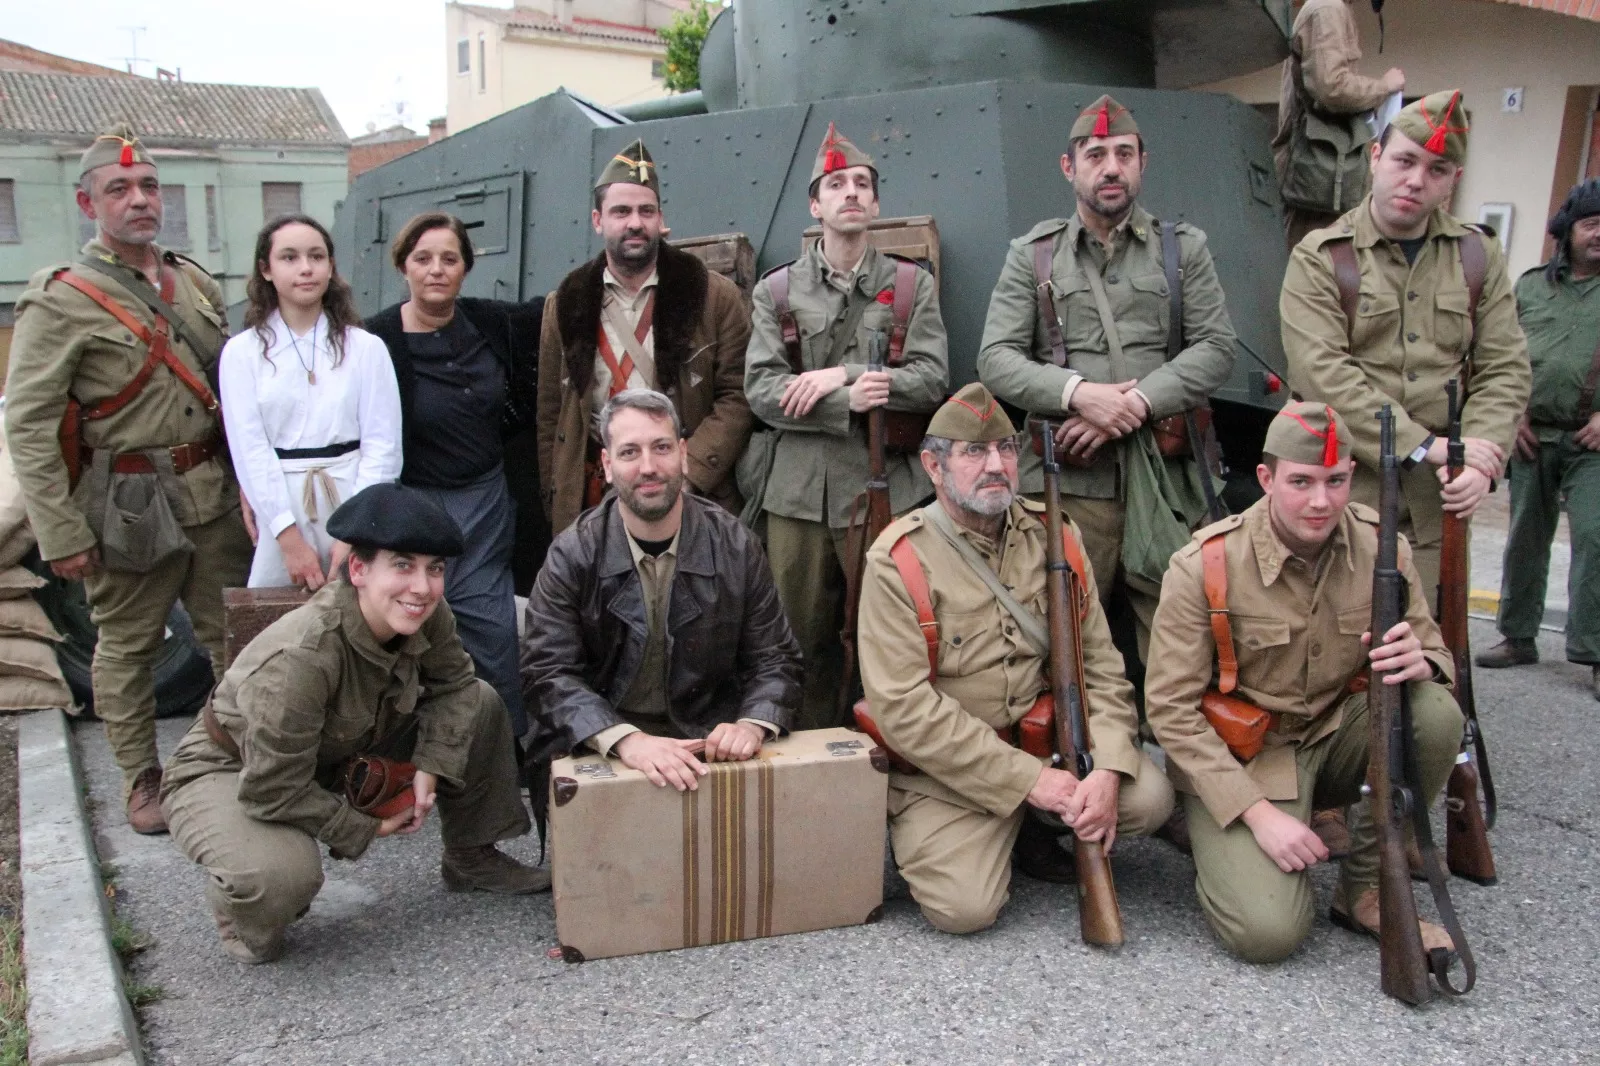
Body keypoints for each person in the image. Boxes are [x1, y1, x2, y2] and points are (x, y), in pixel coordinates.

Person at [160, 482, 544, 964]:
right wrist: (365, 827)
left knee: (482, 701)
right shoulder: (303, 657)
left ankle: (471, 856)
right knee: (278, 880)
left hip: (333, 751)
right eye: (402, 565)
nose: (421, 587)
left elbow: (456, 685)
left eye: (435, 569)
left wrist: (430, 765)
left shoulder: (426, 611)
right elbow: (272, 787)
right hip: (231, 767)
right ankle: (241, 905)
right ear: (358, 569)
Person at [1144, 402, 1461, 964]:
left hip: (1340, 733)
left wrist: (1423, 661)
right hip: (1247, 756)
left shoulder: (1381, 547)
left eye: (1336, 481)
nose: (1321, 501)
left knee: (1435, 713)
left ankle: (1365, 886)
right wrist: (1257, 814)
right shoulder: (1204, 564)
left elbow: (1435, 651)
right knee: (1267, 935)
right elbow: (1170, 711)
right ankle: (1230, 849)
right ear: (1266, 479)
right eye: (1301, 482)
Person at [2, 124, 252, 834]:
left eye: (148, 187)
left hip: (209, 491)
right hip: (125, 503)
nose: (140, 200)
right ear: (89, 205)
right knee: (129, 648)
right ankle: (142, 778)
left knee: (232, 639)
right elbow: (30, 423)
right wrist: (59, 529)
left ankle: (227, 759)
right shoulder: (60, 299)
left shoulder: (193, 282)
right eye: (120, 190)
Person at [856, 384, 1173, 935]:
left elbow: (1099, 664)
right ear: (933, 465)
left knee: (1147, 797)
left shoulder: (1056, 536)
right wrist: (1028, 781)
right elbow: (904, 709)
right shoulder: (898, 560)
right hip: (951, 770)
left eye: (1004, 449)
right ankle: (1012, 819)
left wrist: (1110, 767)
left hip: (1048, 745)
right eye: (974, 453)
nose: (996, 464)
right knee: (963, 911)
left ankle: (1031, 824)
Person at [978, 95, 1237, 665]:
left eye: (1124, 153)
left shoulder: (1183, 250)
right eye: (1095, 154)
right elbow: (995, 357)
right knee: (1063, 648)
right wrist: (1080, 395)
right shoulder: (1034, 257)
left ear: (1143, 162)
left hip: (1167, 481)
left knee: (1186, 649)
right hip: (1072, 487)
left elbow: (1217, 348)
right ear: (1070, 168)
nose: (1111, 166)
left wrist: (1138, 402)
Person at [1282, 91, 1530, 603]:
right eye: (1404, 160)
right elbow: (1321, 372)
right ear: (1375, 158)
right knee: (1338, 650)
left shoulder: (1477, 254)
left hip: (1438, 503)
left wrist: (1479, 457)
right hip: (1343, 494)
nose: (1417, 180)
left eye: (1437, 169)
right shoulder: (1323, 256)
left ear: (1453, 180)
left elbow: (1505, 366)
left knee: (1431, 652)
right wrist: (1424, 444)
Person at [746, 122, 949, 729]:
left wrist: (841, 377)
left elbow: (932, 378)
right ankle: (808, 759)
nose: (851, 193)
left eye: (862, 184)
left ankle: (893, 757)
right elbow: (761, 391)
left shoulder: (911, 285)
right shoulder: (776, 291)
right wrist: (850, 402)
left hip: (884, 485)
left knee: (892, 633)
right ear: (816, 204)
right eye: (836, 184)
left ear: (877, 203)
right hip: (798, 495)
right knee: (798, 638)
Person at [522, 390, 801, 788]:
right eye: (630, 452)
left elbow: (775, 659)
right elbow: (546, 672)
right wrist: (626, 740)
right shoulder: (573, 553)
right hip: (606, 740)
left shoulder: (736, 545)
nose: (648, 467)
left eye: (662, 447)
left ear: (684, 455)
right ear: (607, 465)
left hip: (708, 738)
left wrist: (752, 724)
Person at [365, 212, 545, 737]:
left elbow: (560, 310)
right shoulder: (376, 340)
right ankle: (403, 751)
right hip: (415, 504)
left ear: (466, 267)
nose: (436, 270)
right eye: (423, 259)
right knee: (407, 628)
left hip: (484, 502)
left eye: (450, 258)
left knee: (492, 631)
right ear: (403, 267)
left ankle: (506, 747)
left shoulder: (492, 323)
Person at [538, 139, 753, 536]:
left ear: (661, 220)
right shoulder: (565, 302)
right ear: (598, 220)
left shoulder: (714, 296)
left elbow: (738, 396)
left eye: (645, 211)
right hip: (593, 495)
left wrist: (686, 473)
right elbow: (552, 411)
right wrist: (557, 493)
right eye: (621, 212)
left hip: (687, 491)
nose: (634, 223)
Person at [222, 214, 402, 589]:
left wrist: (355, 531)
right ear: (266, 269)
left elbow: (383, 445)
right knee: (276, 626)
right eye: (289, 257)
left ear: (331, 266)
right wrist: (286, 537)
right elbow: (249, 449)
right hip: (281, 504)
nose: (306, 268)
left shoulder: (365, 348)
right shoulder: (242, 353)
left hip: (352, 496)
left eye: (316, 257)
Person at [1476, 179, 1600, 700]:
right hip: (1531, 434)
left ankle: (1593, 653)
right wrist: (1514, 417)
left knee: (1594, 536)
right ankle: (1518, 636)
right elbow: (1500, 354)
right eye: (1591, 224)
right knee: (1525, 535)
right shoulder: (1528, 286)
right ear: (1567, 230)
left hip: (1592, 440)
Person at [1273, 0, 1405, 248]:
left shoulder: (1333, 7)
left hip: (1321, 178)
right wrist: (1383, 87)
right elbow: (1331, 88)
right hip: (1315, 179)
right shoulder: (1327, 8)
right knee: (1312, 270)